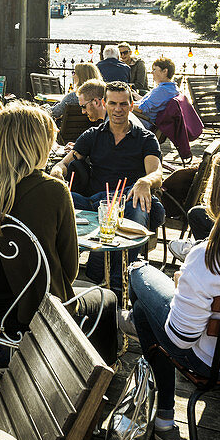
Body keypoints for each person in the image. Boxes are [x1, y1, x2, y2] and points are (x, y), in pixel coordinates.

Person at [0, 101, 118, 364]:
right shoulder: (53, 190)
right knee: (107, 298)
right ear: (37, 143)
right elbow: (70, 268)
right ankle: (96, 376)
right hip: (38, 314)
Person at [130, 141, 220, 440]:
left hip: (211, 364)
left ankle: (164, 417)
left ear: (216, 192)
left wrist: (183, 289)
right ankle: (163, 422)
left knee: (140, 278)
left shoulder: (209, 257)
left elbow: (180, 341)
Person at [50, 82, 164, 288]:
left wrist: (145, 181)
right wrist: (58, 171)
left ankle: (118, 282)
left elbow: (156, 172)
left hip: (127, 202)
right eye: (112, 103)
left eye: (123, 104)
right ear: (105, 103)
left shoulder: (145, 138)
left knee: (136, 203)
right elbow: (64, 163)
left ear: (131, 105)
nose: (118, 109)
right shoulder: (93, 135)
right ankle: (55, 275)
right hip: (94, 202)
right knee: (52, 200)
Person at [132, 57, 179, 126]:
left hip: (145, 122)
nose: (151, 72)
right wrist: (137, 96)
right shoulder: (170, 88)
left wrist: (122, 104)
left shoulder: (163, 90)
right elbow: (151, 103)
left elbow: (141, 109)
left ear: (165, 71)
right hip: (143, 118)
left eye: (154, 69)